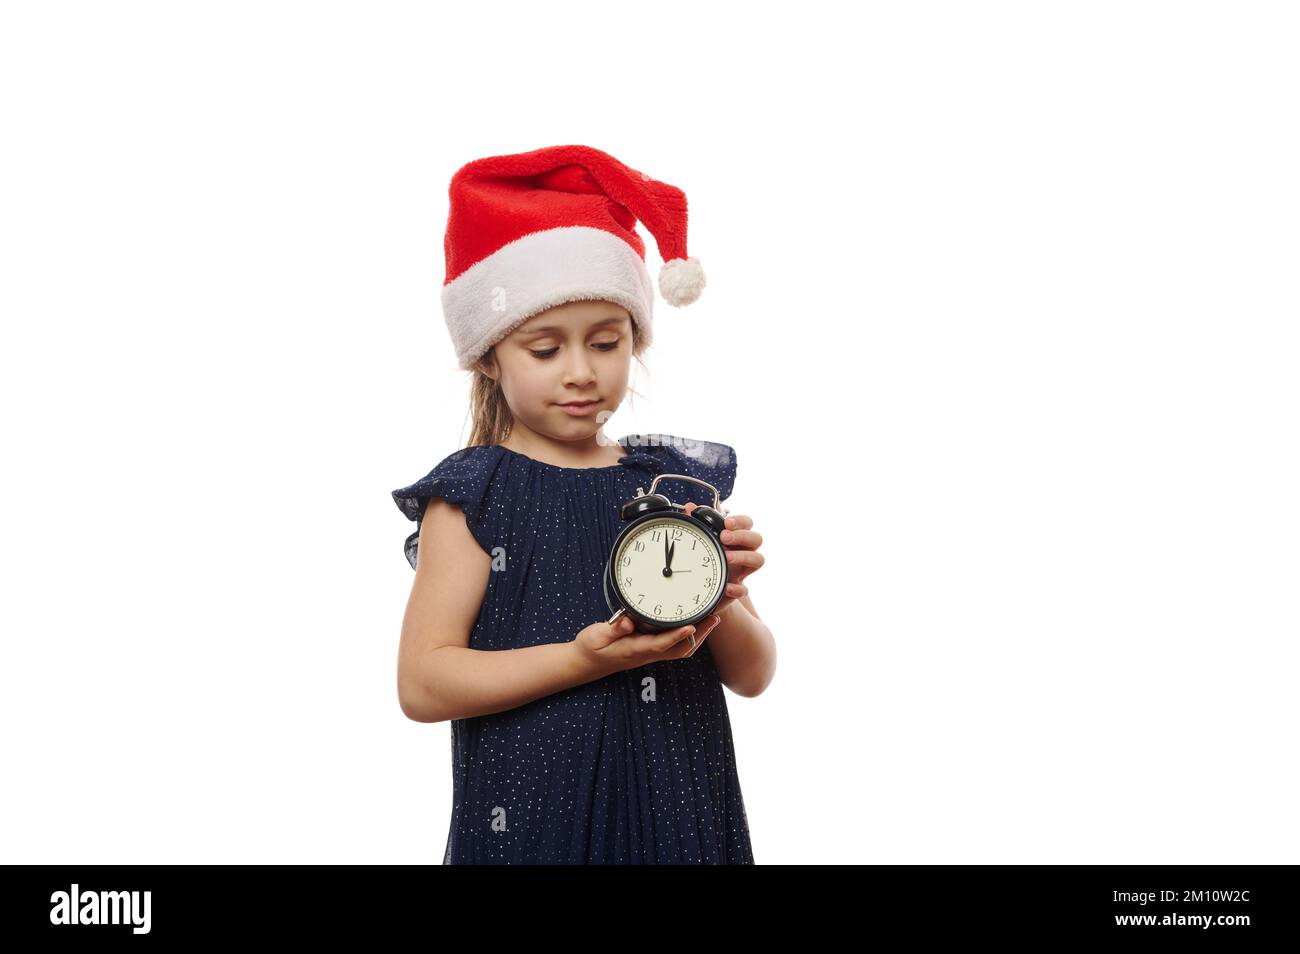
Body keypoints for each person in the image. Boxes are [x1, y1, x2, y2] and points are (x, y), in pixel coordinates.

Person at [390, 144, 775, 863]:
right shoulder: (478, 494)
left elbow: (754, 674)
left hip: (677, 814)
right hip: (536, 820)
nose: (581, 373)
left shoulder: (667, 487)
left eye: (606, 342)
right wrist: (582, 660)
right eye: (544, 350)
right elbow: (423, 681)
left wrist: (722, 593)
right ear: (488, 355)